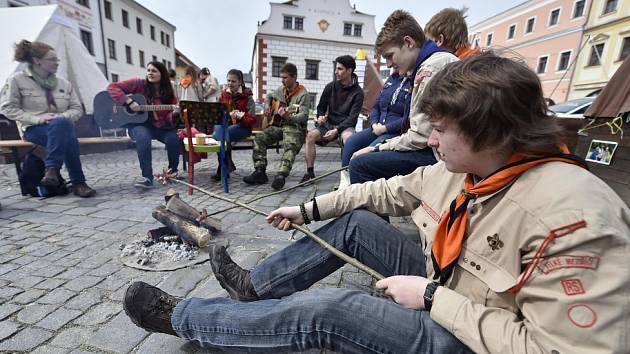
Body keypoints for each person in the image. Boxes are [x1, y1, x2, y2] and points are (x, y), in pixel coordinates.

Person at [123, 51, 630, 354]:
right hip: (452, 285)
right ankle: (252, 290)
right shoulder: (473, 167)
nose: (430, 139)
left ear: (488, 129)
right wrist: (309, 210)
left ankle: (188, 319)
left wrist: (433, 299)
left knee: (333, 310)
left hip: (473, 337)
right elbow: (390, 190)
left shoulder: (574, 218)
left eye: (442, 129)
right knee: (354, 223)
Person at [348, 10, 457, 184]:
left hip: (442, 156)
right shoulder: (431, 63)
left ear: (408, 42)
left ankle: (362, 208)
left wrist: (377, 149)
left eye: (390, 56)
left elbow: (420, 137)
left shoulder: (429, 70)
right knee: (357, 149)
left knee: (359, 165)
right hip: (443, 148)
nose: (389, 63)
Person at [0, 40, 96, 197]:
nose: (57, 63)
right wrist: (37, 119)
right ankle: (78, 183)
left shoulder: (64, 83)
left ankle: (52, 170)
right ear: (37, 61)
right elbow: (6, 108)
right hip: (33, 129)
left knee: (64, 130)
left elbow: (77, 109)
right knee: (68, 137)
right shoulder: (17, 80)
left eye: (57, 59)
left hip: (62, 127)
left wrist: (60, 118)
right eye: (52, 59)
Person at [107, 61, 180, 189]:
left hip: (159, 126)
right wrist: (128, 102)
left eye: (154, 71)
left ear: (162, 74)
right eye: (148, 70)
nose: (150, 73)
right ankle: (147, 177)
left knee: (173, 138)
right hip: (138, 124)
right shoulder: (138, 84)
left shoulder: (168, 94)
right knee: (143, 137)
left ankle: (172, 172)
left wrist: (174, 114)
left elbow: (168, 117)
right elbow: (112, 87)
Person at [339, 66, 411, 187]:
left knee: (365, 155)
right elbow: (376, 106)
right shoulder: (392, 79)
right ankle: (345, 183)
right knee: (351, 142)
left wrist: (385, 128)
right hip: (377, 127)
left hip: (395, 131)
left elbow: (409, 118)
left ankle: (361, 189)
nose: (390, 64)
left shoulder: (413, 82)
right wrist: (374, 123)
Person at [243, 63, 310, 190]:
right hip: (279, 125)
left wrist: (288, 117)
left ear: (294, 77)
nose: (282, 80)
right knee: (260, 138)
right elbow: (269, 96)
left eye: (285, 78)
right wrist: (267, 105)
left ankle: (281, 175)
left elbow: (304, 116)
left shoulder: (303, 94)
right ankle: (260, 171)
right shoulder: (281, 90)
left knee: (290, 144)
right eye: (282, 77)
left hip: (295, 127)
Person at [301, 55, 363, 183]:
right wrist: (320, 117)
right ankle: (310, 173)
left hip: (346, 126)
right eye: (336, 68)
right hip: (328, 123)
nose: (336, 72)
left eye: (340, 69)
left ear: (349, 70)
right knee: (310, 136)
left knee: (349, 139)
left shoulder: (358, 92)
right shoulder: (330, 86)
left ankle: (345, 176)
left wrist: (337, 130)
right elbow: (321, 107)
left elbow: (352, 118)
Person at [212, 69, 256, 181]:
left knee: (220, 134)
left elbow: (252, 120)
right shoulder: (223, 95)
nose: (230, 83)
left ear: (240, 82)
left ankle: (222, 168)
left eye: (233, 81)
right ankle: (225, 166)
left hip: (243, 127)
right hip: (226, 127)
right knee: (218, 131)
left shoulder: (248, 97)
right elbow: (217, 114)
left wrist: (241, 117)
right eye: (228, 80)